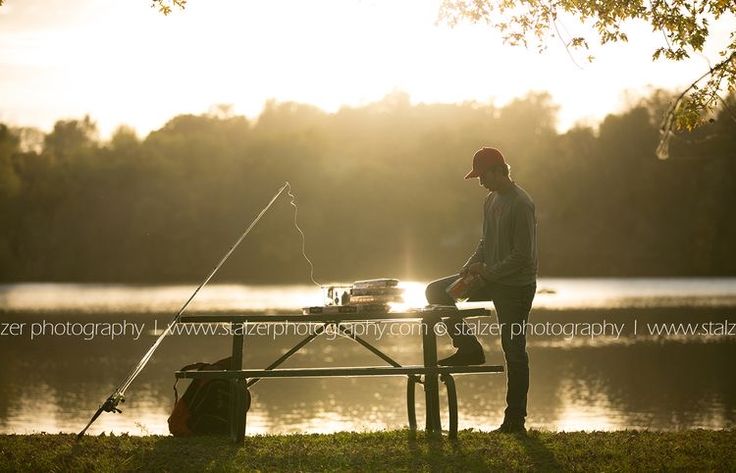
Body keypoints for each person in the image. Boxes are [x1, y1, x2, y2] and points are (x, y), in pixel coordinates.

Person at [425, 146, 537, 434]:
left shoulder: (521, 204)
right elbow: (486, 242)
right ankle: (469, 348)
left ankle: (515, 421)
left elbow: (523, 256)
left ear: (498, 170)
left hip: (515, 287)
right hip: (490, 279)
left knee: (514, 351)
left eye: (482, 176)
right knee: (437, 292)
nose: (480, 182)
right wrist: (471, 264)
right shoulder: (490, 201)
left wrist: (489, 272)